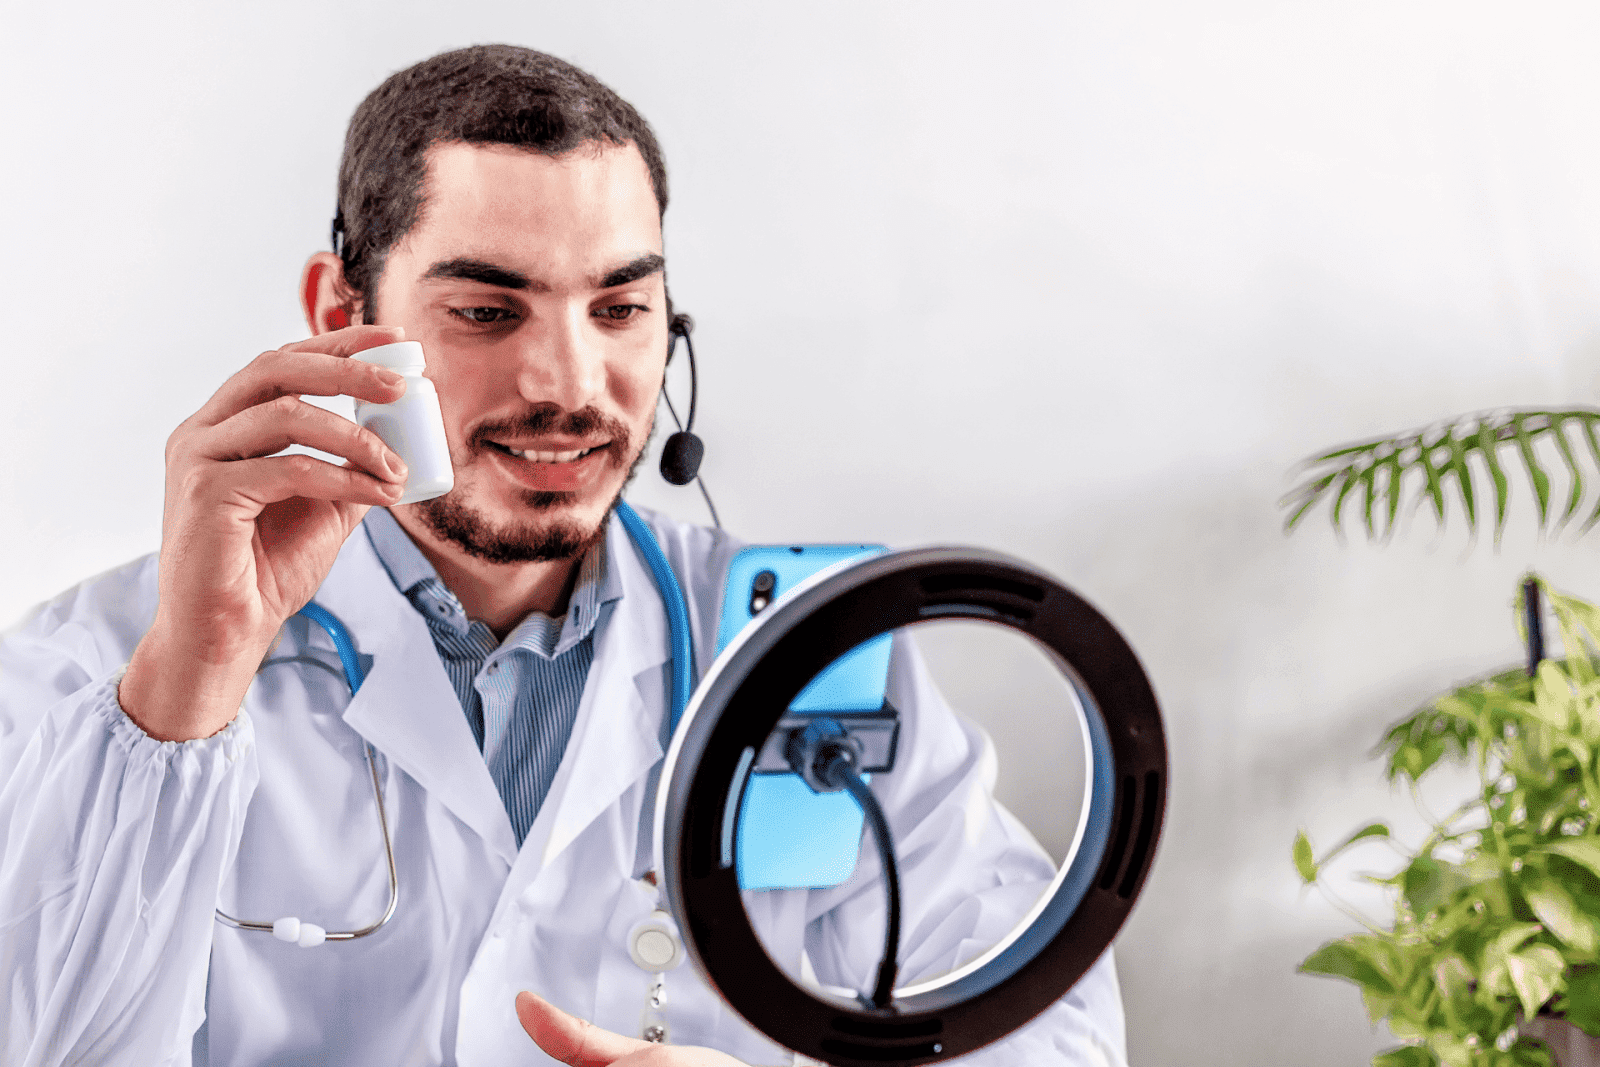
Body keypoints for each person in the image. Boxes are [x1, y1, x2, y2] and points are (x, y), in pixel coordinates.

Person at [0, 44, 1126, 1067]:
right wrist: (183, 693)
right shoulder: (82, 669)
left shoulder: (802, 656)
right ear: (344, 313)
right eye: (490, 311)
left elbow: (1053, 1036)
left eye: (620, 307)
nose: (570, 385)